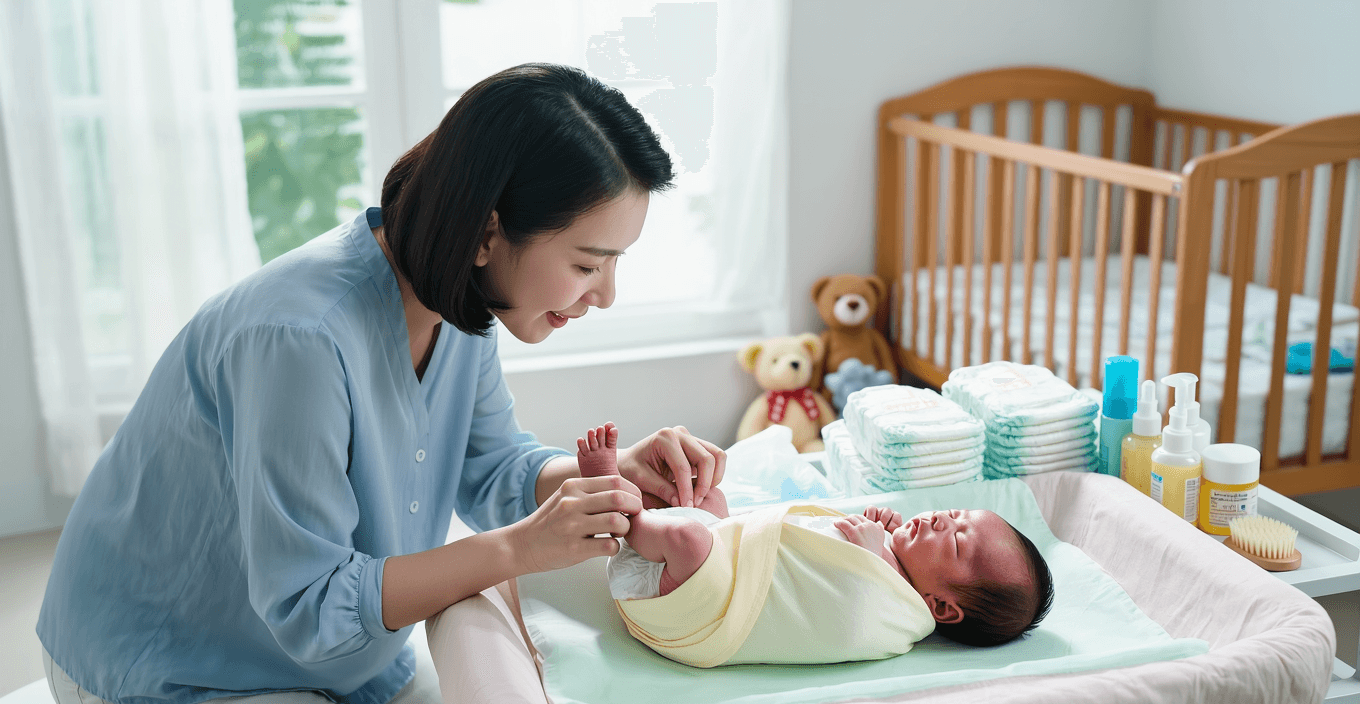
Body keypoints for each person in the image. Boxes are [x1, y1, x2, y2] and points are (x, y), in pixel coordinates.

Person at [37, 63, 726, 704]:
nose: (605, 295)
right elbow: (310, 603)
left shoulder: (459, 298)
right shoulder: (299, 341)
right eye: (587, 265)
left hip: (345, 654)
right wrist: (517, 549)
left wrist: (597, 475)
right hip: (177, 667)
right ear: (488, 231)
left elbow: (489, 465)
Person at [577, 422, 1054, 667]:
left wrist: (870, 560)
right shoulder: (892, 560)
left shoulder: (897, 621)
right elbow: (810, 556)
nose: (940, 520)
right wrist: (881, 539)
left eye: (955, 541)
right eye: (955, 514)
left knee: (690, 535)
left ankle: (619, 511)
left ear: (941, 608)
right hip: (725, 572)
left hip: (703, 616)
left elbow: (844, 617)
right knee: (712, 499)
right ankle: (648, 518)